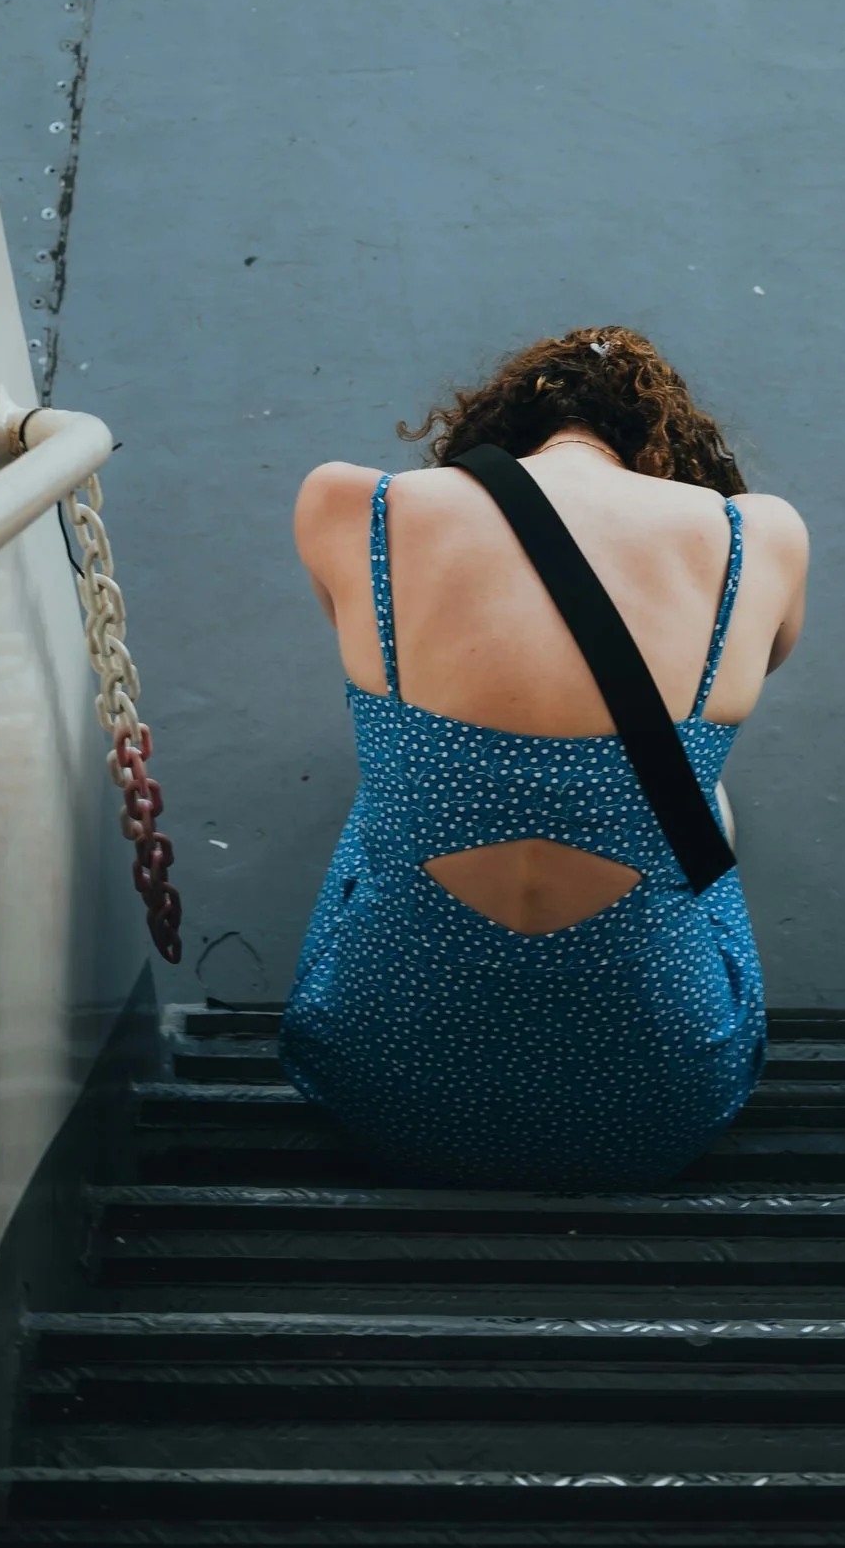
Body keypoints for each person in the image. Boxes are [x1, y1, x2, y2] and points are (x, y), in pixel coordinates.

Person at [279, 326, 810, 1188]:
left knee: (397, 787)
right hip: (657, 1103)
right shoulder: (762, 535)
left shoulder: (355, 503)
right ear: (662, 446)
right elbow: (769, 658)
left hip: (384, 1086)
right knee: (698, 793)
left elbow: (352, 628)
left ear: (492, 428)